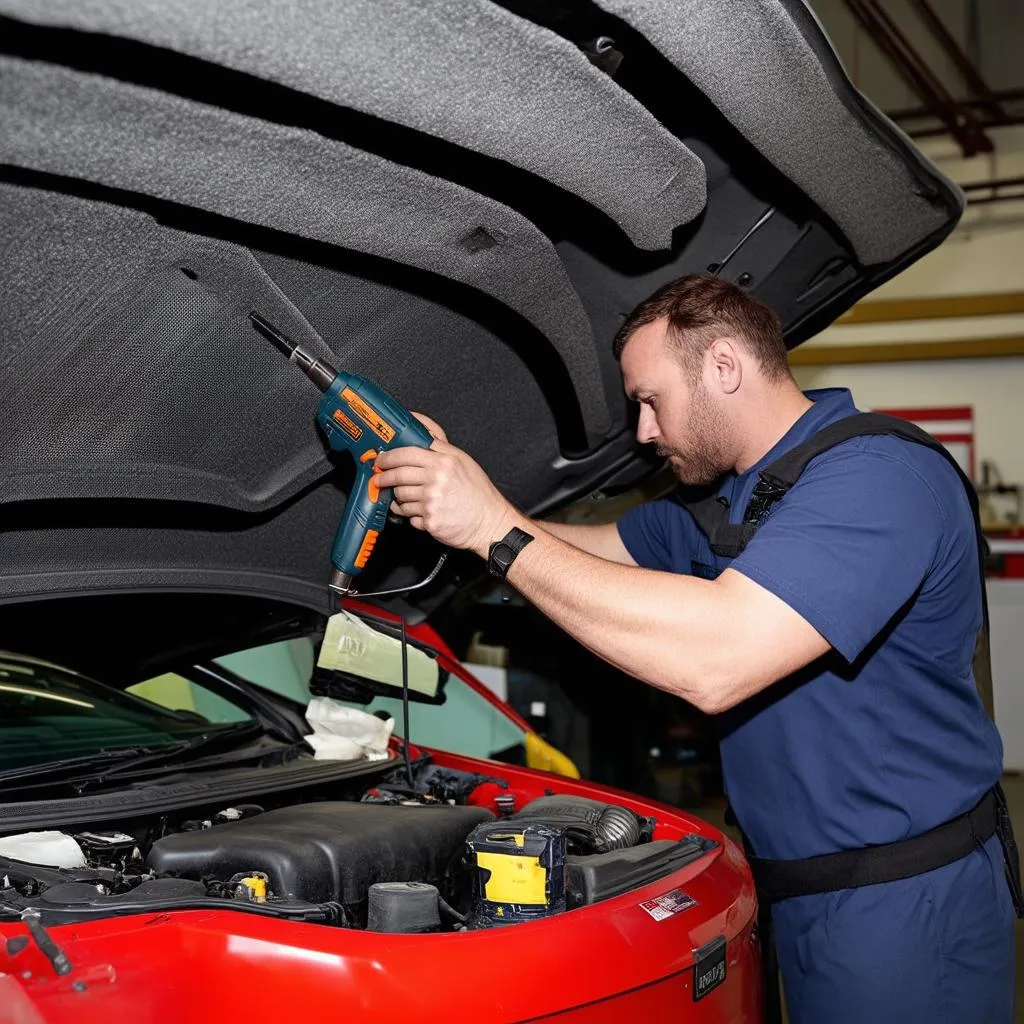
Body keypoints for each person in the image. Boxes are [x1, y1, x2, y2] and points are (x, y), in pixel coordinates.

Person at [374, 274, 1018, 1023]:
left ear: (723, 366)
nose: (644, 431)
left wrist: (492, 528)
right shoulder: (726, 501)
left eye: (651, 399)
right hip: (789, 888)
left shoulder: (879, 479)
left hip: (906, 901)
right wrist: (463, 506)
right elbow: (590, 550)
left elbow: (719, 663)